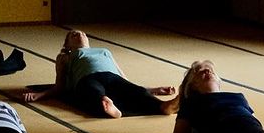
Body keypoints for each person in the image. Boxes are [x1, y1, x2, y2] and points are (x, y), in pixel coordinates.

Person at [22, 30, 179, 120]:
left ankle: (163, 106)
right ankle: (112, 109)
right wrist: (40, 95)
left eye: (81, 33)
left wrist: (153, 89)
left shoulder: (104, 51)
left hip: (111, 77)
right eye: (73, 35)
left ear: (88, 38)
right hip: (87, 79)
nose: (79, 34)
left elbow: (124, 78)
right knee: (93, 92)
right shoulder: (65, 57)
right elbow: (60, 85)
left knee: (136, 92)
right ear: (67, 45)